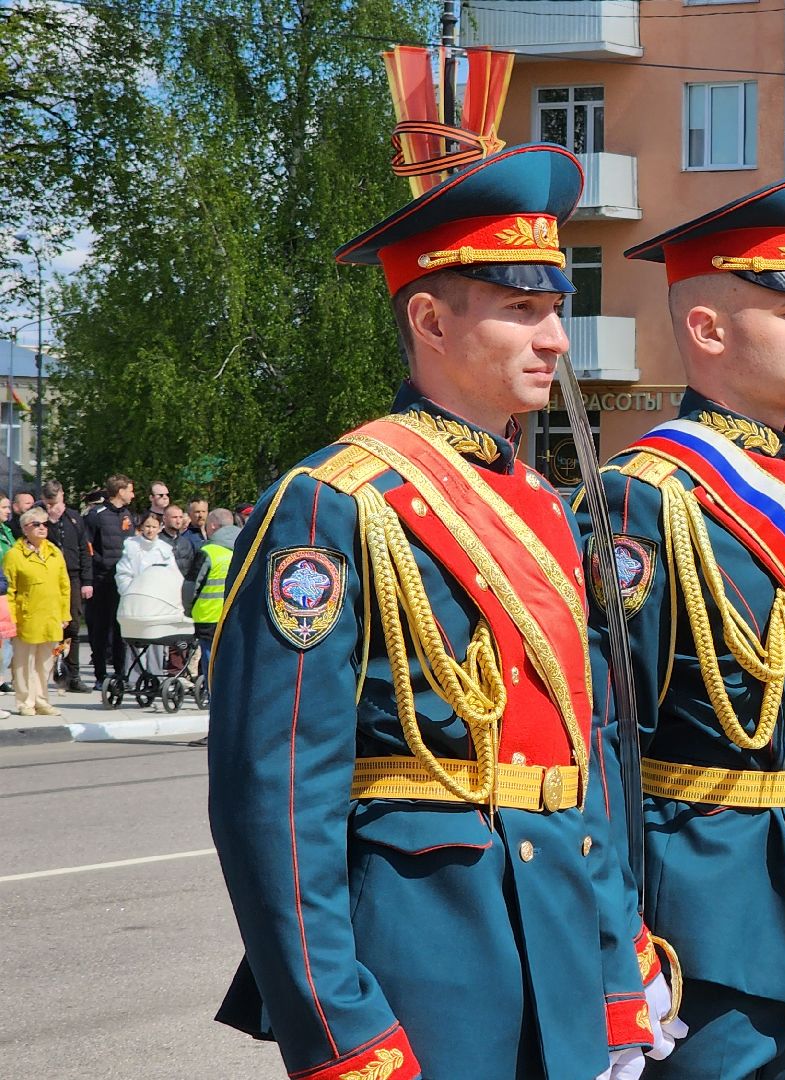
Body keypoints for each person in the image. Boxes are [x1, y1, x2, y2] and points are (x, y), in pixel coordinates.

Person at [206, 141, 672, 1080]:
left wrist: (614, 958)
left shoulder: (542, 502)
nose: (554, 341)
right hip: (424, 967)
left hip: (561, 945)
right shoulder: (336, 501)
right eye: (521, 311)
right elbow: (276, 796)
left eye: (556, 311)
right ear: (430, 319)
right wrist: (339, 1026)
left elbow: (589, 757)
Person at [580, 171, 785, 1080]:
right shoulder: (645, 496)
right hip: (703, 924)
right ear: (709, 330)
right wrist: (619, 944)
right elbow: (608, 747)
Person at [5, 507, 69, 716]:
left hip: (50, 616)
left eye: (45, 524)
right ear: (25, 529)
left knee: (44, 663)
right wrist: (11, 619)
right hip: (26, 616)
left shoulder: (54, 552)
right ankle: (25, 702)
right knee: (24, 664)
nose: (42, 528)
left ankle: (42, 700)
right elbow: (9, 590)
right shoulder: (15, 555)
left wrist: (64, 614)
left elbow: (64, 586)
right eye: (36, 525)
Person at [80, 474, 136, 687]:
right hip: (102, 580)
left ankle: (121, 673)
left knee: (121, 627)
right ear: (120, 491)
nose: (133, 494)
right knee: (101, 628)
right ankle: (100, 674)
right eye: (130, 490)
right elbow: (87, 548)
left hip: (123, 581)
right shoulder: (96, 515)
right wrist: (94, 573)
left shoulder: (127, 515)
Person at [41, 480, 86, 691]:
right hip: (48, 579)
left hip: (73, 577)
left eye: (55, 502)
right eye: (48, 503)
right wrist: (48, 521)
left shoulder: (74, 518)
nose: (52, 508)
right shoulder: (39, 520)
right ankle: (46, 674)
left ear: (63, 497)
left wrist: (88, 581)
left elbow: (85, 550)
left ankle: (72, 676)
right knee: (49, 628)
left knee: (73, 627)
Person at [184, 507, 239, 672]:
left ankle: (213, 696)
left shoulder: (208, 552)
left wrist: (187, 610)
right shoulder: (244, 550)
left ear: (213, 526)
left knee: (210, 665)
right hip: (235, 618)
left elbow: (190, 587)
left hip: (208, 616)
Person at [115, 511, 179, 593]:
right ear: (142, 527)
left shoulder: (165, 549)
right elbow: (123, 573)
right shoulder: (131, 545)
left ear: (159, 528)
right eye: (148, 526)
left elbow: (172, 575)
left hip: (157, 597)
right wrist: (129, 592)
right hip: (134, 595)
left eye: (154, 527)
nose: (150, 530)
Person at [164, 503, 203, 570]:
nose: (178, 521)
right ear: (164, 519)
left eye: (181, 517)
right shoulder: (157, 541)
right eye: (175, 517)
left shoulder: (186, 542)